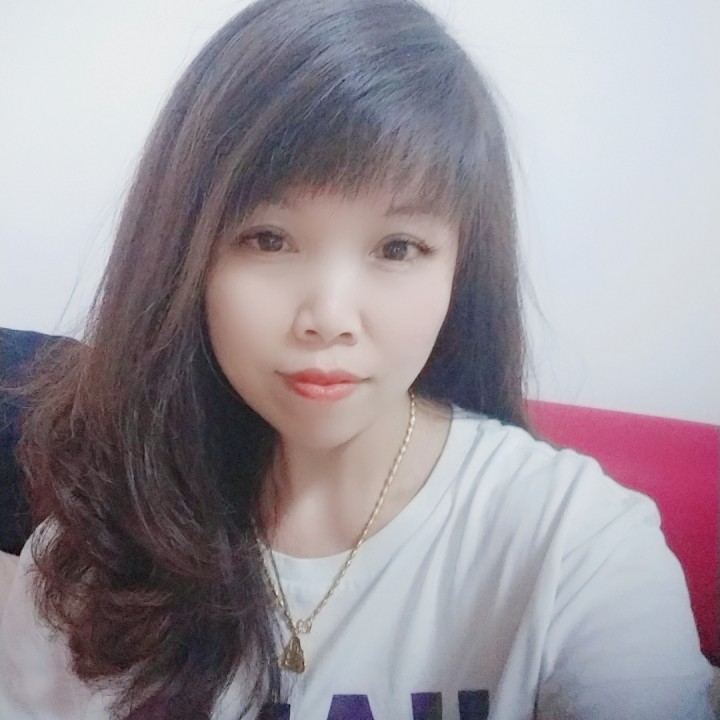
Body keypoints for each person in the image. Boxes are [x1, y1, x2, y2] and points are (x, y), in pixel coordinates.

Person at [0, 0, 714, 718]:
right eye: (269, 239)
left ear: (461, 270)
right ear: (184, 255)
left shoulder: (572, 544)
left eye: (397, 248)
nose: (331, 318)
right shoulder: (92, 553)